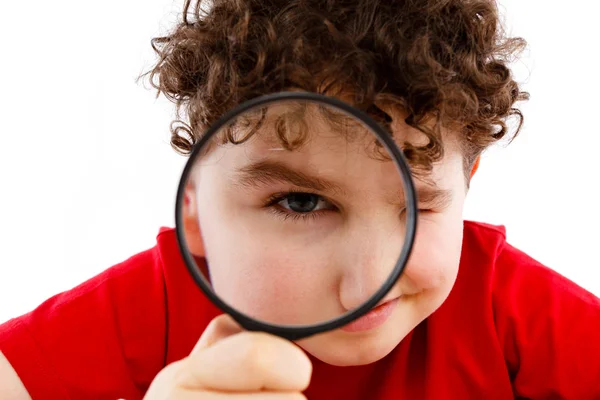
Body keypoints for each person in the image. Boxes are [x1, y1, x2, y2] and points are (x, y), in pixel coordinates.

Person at [1, 0, 599, 398]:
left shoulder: (511, 313)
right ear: (195, 208)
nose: (367, 282)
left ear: (469, 178)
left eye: (418, 205)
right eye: (303, 203)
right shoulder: (150, 307)